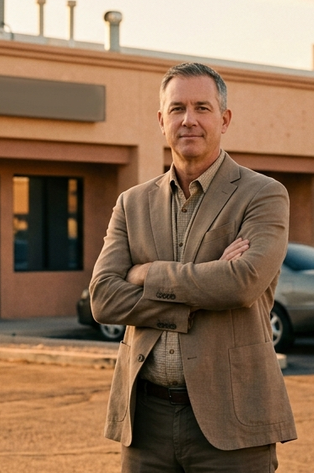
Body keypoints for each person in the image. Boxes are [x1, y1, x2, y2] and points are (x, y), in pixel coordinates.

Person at [90, 62, 296, 472]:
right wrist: (203, 288)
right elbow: (104, 299)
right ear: (161, 119)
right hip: (145, 422)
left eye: (202, 107)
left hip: (232, 420)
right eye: (178, 108)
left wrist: (147, 274)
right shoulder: (132, 203)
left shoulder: (263, 195)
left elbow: (241, 284)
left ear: (224, 119)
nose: (189, 120)